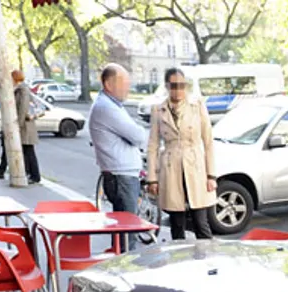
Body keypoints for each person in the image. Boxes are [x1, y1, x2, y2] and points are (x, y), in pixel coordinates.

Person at [145, 68, 216, 239]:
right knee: (176, 223)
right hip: (171, 167)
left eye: (182, 85)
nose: (179, 90)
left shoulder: (197, 106)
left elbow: (208, 141)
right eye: (174, 86)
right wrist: (152, 178)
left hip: (194, 165)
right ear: (167, 86)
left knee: (201, 221)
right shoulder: (158, 110)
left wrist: (211, 175)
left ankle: (207, 261)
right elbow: (153, 145)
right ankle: (179, 260)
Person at [89, 64, 148, 244]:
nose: (128, 88)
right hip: (121, 176)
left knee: (126, 232)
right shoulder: (107, 108)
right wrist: (138, 133)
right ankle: (127, 268)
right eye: (123, 83)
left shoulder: (111, 105)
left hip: (121, 175)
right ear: (108, 84)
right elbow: (138, 135)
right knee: (128, 235)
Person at [0, 70, 41, 183]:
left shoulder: (22, 90)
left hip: (25, 126)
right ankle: (29, 174)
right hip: (22, 125)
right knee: (21, 150)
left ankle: (34, 175)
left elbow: (23, 108)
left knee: (28, 151)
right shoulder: (19, 89)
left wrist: (19, 125)